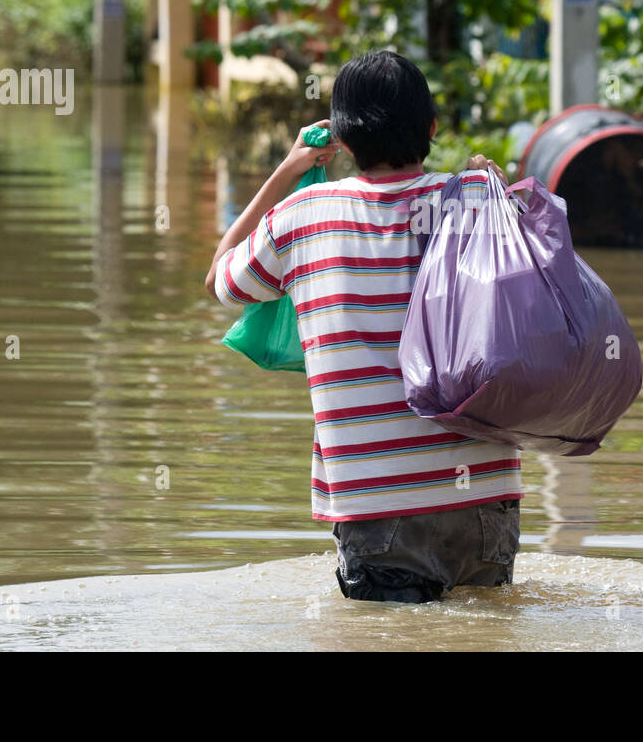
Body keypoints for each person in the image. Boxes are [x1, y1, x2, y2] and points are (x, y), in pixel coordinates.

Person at [205, 50, 522, 603]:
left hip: (378, 505)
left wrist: (289, 169)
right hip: (486, 499)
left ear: (345, 142)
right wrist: (489, 186)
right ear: (432, 128)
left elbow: (220, 279)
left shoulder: (300, 217)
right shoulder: (472, 200)